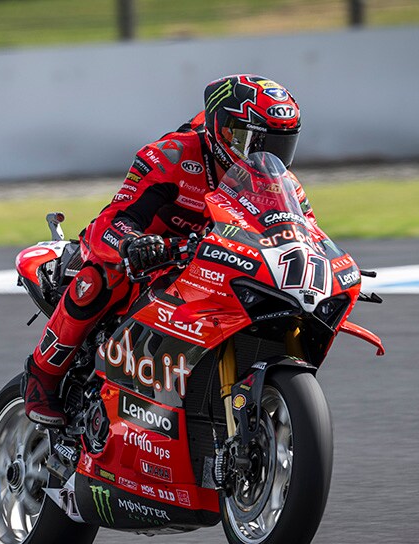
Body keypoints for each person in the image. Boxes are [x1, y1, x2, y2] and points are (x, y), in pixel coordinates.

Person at [22, 74, 318, 426]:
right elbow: (110, 224)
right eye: (259, 143)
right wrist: (134, 244)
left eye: (281, 146)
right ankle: (43, 375)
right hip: (146, 260)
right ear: (225, 132)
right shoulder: (173, 157)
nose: (270, 157)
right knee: (103, 275)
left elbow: (304, 235)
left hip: (209, 268)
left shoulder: (280, 185)